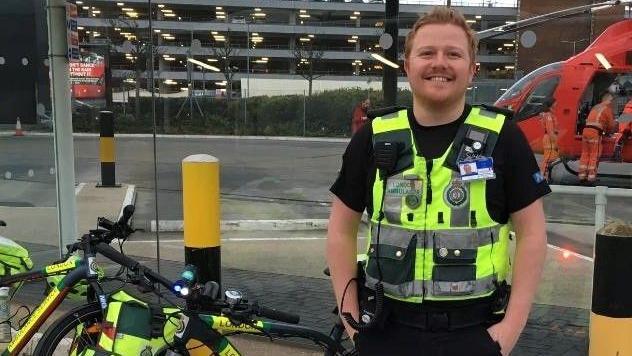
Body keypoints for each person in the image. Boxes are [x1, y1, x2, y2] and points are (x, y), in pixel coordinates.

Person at [327, 7, 549, 356]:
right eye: (427, 53)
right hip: (385, 330)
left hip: (473, 334)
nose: (439, 63)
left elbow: (533, 233)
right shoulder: (373, 137)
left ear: (472, 70)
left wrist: (509, 329)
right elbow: (340, 230)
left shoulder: (503, 137)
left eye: (454, 54)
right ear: (407, 66)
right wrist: (352, 319)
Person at [578, 92, 617, 184]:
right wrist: (609, 132)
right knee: (594, 155)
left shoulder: (596, 107)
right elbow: (611, 126)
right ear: (609, 100)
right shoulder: (607, 108)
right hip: (594, 133)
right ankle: (591, 178)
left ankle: (582, 176)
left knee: (585, 154)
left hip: (585, 131)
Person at [539, 98, 559, 181]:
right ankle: (541, 179)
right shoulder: (549, 116)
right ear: (551, 104)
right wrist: (555, 142)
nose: (557, 104)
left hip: (549, 138)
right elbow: (550, 130)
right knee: (547, 160)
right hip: (550, 139)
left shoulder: (548, 114)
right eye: (555, 103)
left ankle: (542, 178)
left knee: (548, 159)